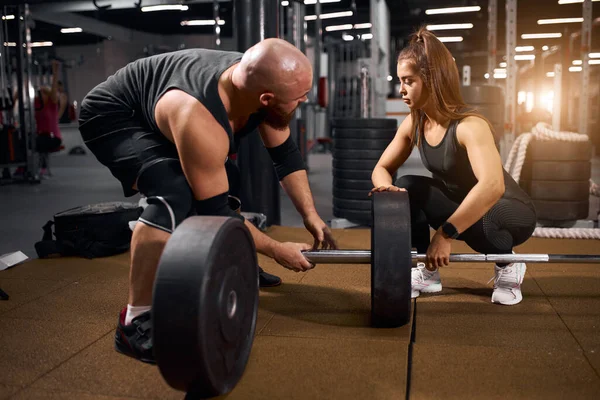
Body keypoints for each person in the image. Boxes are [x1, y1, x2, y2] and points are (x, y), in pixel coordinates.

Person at [78, 38, 336, 364]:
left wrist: (310, 215)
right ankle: (134, 322)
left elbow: (284, 156)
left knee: (228, 177)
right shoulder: (198, 116)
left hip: (163, 106)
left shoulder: (259, 83)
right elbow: (216, 212)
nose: (306, 100)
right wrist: (275, 249)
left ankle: (236, 258)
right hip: (114, 114)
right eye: (299, 97)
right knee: (172, 193)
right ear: (266, 98)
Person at [370, 28, 537, 306]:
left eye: (408, 81)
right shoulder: (415, 123)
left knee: (485, 220)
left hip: (508, 208)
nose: (401, 89)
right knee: (408, 187)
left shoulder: (470, 126)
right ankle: (428, 271)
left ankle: (508, 265)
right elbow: (381, 168)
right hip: (464, 204)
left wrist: (445, 234)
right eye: (400, 81)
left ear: (432, 80)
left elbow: (492, 187)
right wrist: (387, 191)